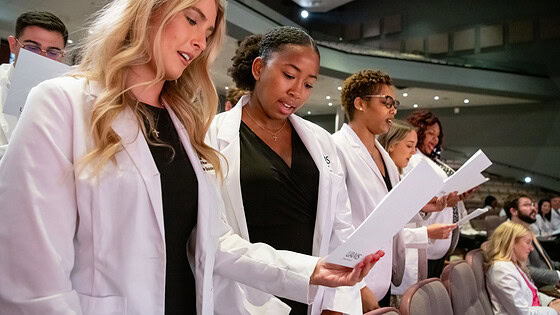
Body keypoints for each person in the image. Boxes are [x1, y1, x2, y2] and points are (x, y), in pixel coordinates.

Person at [0, 1, 381, 314]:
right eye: (192, 19)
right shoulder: (61, 103)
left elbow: (213, 243)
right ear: (147, 10)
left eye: (208, 32)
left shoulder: (183, 122)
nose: (199, 42)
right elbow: (30, 282)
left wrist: (313, 269)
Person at [206, 26, 382, 315]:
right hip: (245, 298)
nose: (297, 92)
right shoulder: (211, 137)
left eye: (308, 84)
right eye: (289, 75)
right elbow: (215, 240)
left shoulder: (320, 141)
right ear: (259, 68)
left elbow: (340, 228)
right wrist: (310, 271)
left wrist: (339, 300)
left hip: (315, 295)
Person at [377, 120, 456, 305]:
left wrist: (426, 208)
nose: (413, 152)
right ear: (390, 146)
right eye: (409, 146)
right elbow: (385, 232)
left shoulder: (399, 178)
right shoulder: (382, 181)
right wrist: (426, 233)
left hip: (406, 263)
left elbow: (403, 218)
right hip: (387, 268)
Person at [405, 110, 467, 278]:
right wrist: (446, 200)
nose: (435, 139)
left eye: (438, 135)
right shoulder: (412, 159)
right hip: (425, 241)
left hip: (441, 244)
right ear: (419, 131)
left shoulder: (433, 160)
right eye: (430, 133)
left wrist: (459, 195)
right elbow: (417, 201)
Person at [0, 10, 68, 156]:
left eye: (53, 52)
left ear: (62, 55)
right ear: (13, 45)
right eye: (31, 48)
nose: (41, 58)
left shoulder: (68, 97)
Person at [484, 221, 560, 315]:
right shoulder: (501, 270)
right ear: (511, 243)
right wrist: (554, 311)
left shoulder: (513, 265)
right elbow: (523, 313)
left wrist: (551, 302)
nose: (531, 248)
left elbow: (531, 295)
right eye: (528, 242)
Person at [504, 194, 560, 288]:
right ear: (513, 211)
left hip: (549, 281)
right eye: (527, 205)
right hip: (539, 287)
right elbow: (524, 269)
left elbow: (547, 261)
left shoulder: (527, 229)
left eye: (533, 205)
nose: (533, 209)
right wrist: (557, 275)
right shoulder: (511, 234)